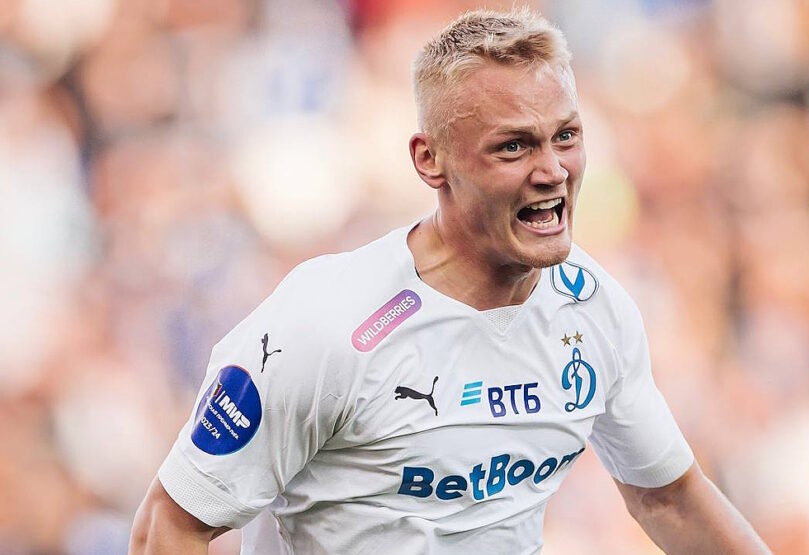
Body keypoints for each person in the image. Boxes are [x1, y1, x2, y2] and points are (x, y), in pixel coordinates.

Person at [129, 8, 771, 554]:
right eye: (514, 146)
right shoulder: (324, 325)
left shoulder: (594, 308)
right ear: (429, 159)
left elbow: (669, 499)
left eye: (566, 137)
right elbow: (170, 525)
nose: (552, 170)